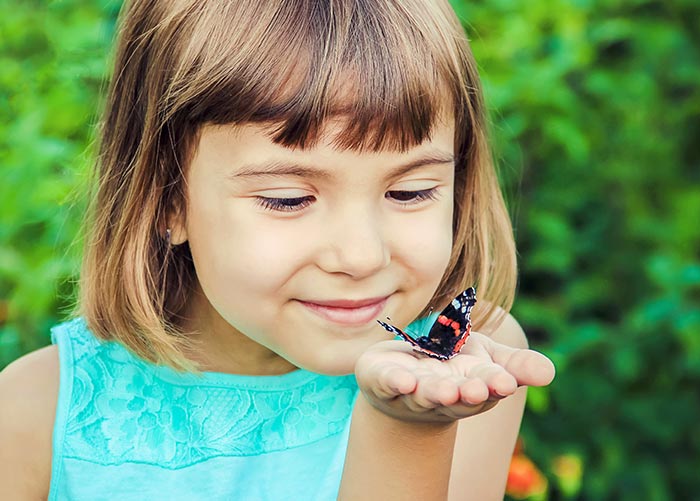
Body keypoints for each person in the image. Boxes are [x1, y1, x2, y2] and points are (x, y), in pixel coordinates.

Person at [0, 0, 555, 499]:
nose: (361, 257)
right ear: (167, 198)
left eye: (409, 191)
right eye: (288, 199)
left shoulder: (468, 362)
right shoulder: (33, 414)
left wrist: (410, 427)